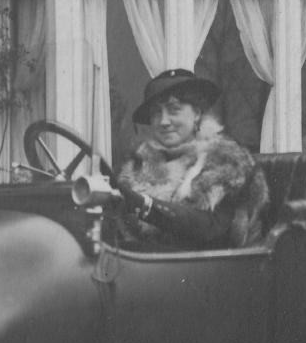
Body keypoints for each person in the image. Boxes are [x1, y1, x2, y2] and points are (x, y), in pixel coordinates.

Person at [111, 69, 269, 251]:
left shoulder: (225, 160)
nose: (163, 121)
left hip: (213, 270)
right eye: (156, 113)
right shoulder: (137, 168)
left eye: (174, 110)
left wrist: (145, 205)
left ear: (197, 114)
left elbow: (211, 229)